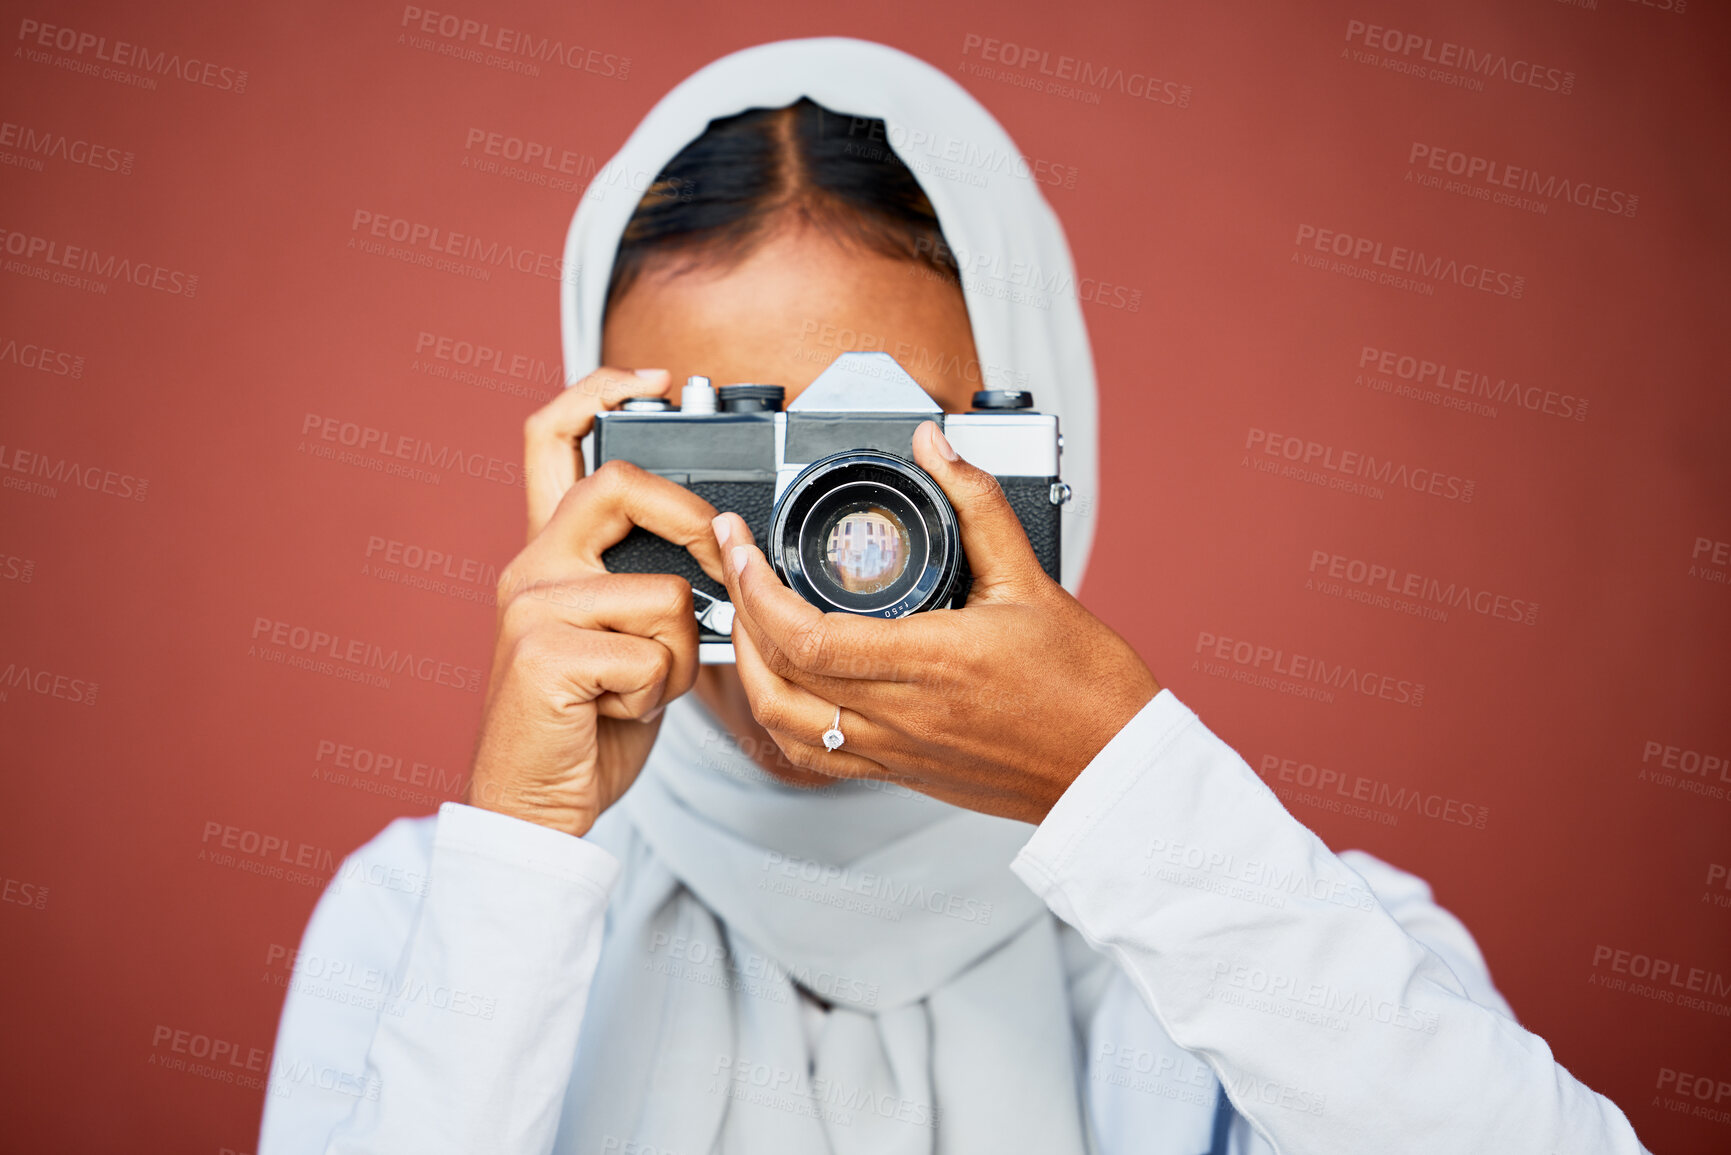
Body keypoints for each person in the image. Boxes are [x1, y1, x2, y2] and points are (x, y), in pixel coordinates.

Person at [260, 38, 1651, 1155]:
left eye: (878, 464)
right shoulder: (428, 919)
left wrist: (1126, 796)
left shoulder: (1282, 925)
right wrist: (520, 862)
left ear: (1053, 452)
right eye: (726, 462)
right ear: (599, 472)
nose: (816, 551)